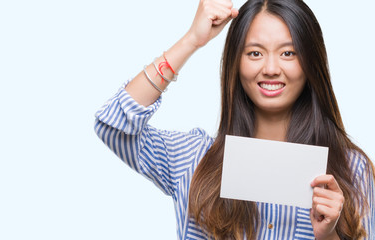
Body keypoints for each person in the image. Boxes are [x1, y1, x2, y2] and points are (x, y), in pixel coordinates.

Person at [94, 0, 375, 239]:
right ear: (235, 63)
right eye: (254, 53)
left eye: (288, 53)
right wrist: (192, 40)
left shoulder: (350, 170)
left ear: (310, 62)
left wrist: (329, 237)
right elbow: (113, 124)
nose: (271, 68)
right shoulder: (192, 159)